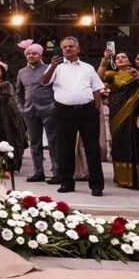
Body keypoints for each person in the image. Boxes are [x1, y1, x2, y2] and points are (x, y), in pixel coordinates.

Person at [41, 36, 105, 196]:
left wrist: (96, 110)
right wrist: (53, 67)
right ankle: (66, 182)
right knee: (65, 149)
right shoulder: (56, 67)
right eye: (65, 47)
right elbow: (43, 81)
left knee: (92, 149)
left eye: (71, 46)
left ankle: (96, 185)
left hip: (87, 112)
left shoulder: (88, 68)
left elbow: (97, 88)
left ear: (78, 49)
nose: (68, 49)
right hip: (64, 112)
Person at [15, 41, 60, 184]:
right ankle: (38, 172)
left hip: (48, 109)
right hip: (29, 111)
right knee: (34, 142)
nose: (31, 55)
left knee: (53, 142)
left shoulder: (50, 69)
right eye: (28, 53)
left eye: (34, 53)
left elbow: (57, 88)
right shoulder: (21, 72)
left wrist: (54, 105)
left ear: (40, 54)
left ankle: (57, 172)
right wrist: (21, 108)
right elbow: (18, 93)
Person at [97, 49, 139, 189]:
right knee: (119, 141)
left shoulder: (135, 73)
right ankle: (122, 178)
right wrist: (105, 60)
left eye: (124, 57)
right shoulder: (111, 74)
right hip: (116, 112)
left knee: (133, 141)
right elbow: (98, 77)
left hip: (133, 111)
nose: (120, 59)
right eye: (118, 58)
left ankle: (135, 178)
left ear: (130, 60)